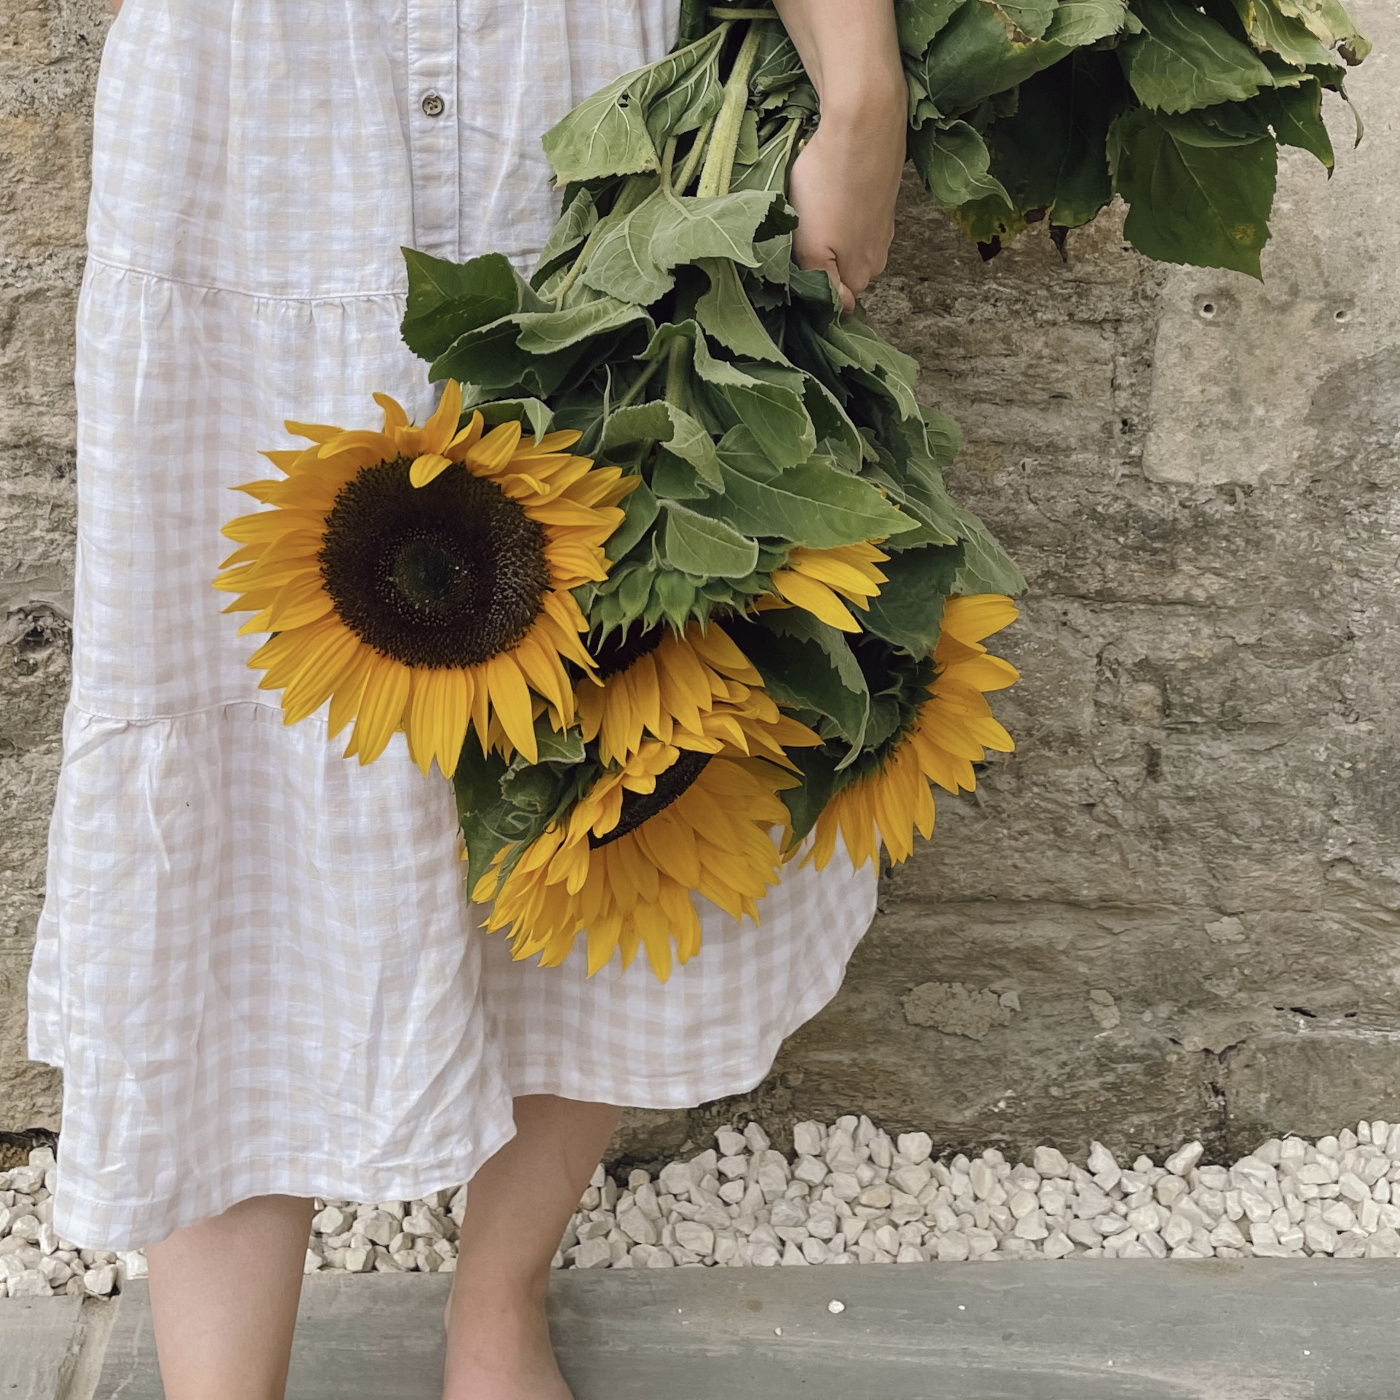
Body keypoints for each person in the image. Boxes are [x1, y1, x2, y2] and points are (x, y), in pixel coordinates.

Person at [27, 1, 907, 1395]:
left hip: (582, 99)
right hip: (251, 105)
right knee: (227, 734)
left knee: (615, 733)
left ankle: (498, 1299)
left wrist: (861, 90)